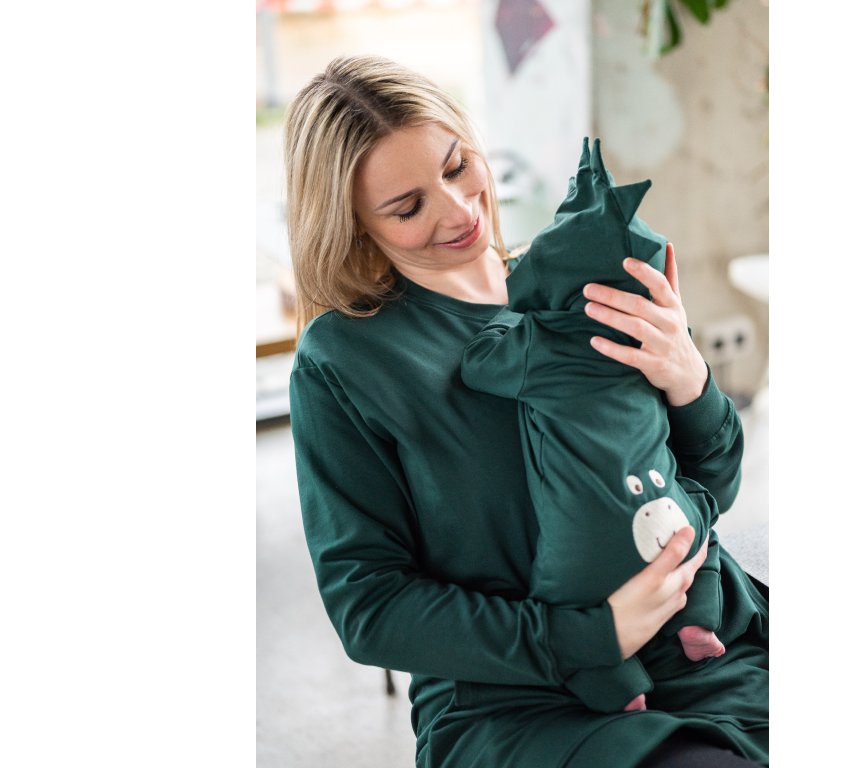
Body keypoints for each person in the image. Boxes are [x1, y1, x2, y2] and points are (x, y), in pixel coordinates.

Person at [286, 54, 768, 768]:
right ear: (353, 224)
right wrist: (591, 635)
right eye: (408, 207)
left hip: (710, 644)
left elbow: (712, 482)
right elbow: (371, 607)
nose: (459, 210)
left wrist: (688, 377)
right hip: (519, 704)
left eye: (458, 167)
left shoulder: (574, 282)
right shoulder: (346, 361)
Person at [461, 137, 728, 715]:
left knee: (566, 599)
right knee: (701, 522)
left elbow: (479, 365)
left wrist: (504, 317)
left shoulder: (538, 344)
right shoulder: (643, 337)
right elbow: (720, 483)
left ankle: (619, 687)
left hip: (591, 548)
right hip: (671, 516)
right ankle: (699, 621)